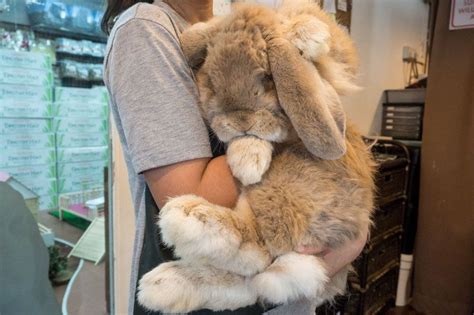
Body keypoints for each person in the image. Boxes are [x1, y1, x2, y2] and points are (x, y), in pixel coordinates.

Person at [102, 0, 368, 314]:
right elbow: (189, 194)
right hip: (211, 291)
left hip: (281, 291)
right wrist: (287, 131)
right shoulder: (148, 28)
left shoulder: (230, 24)